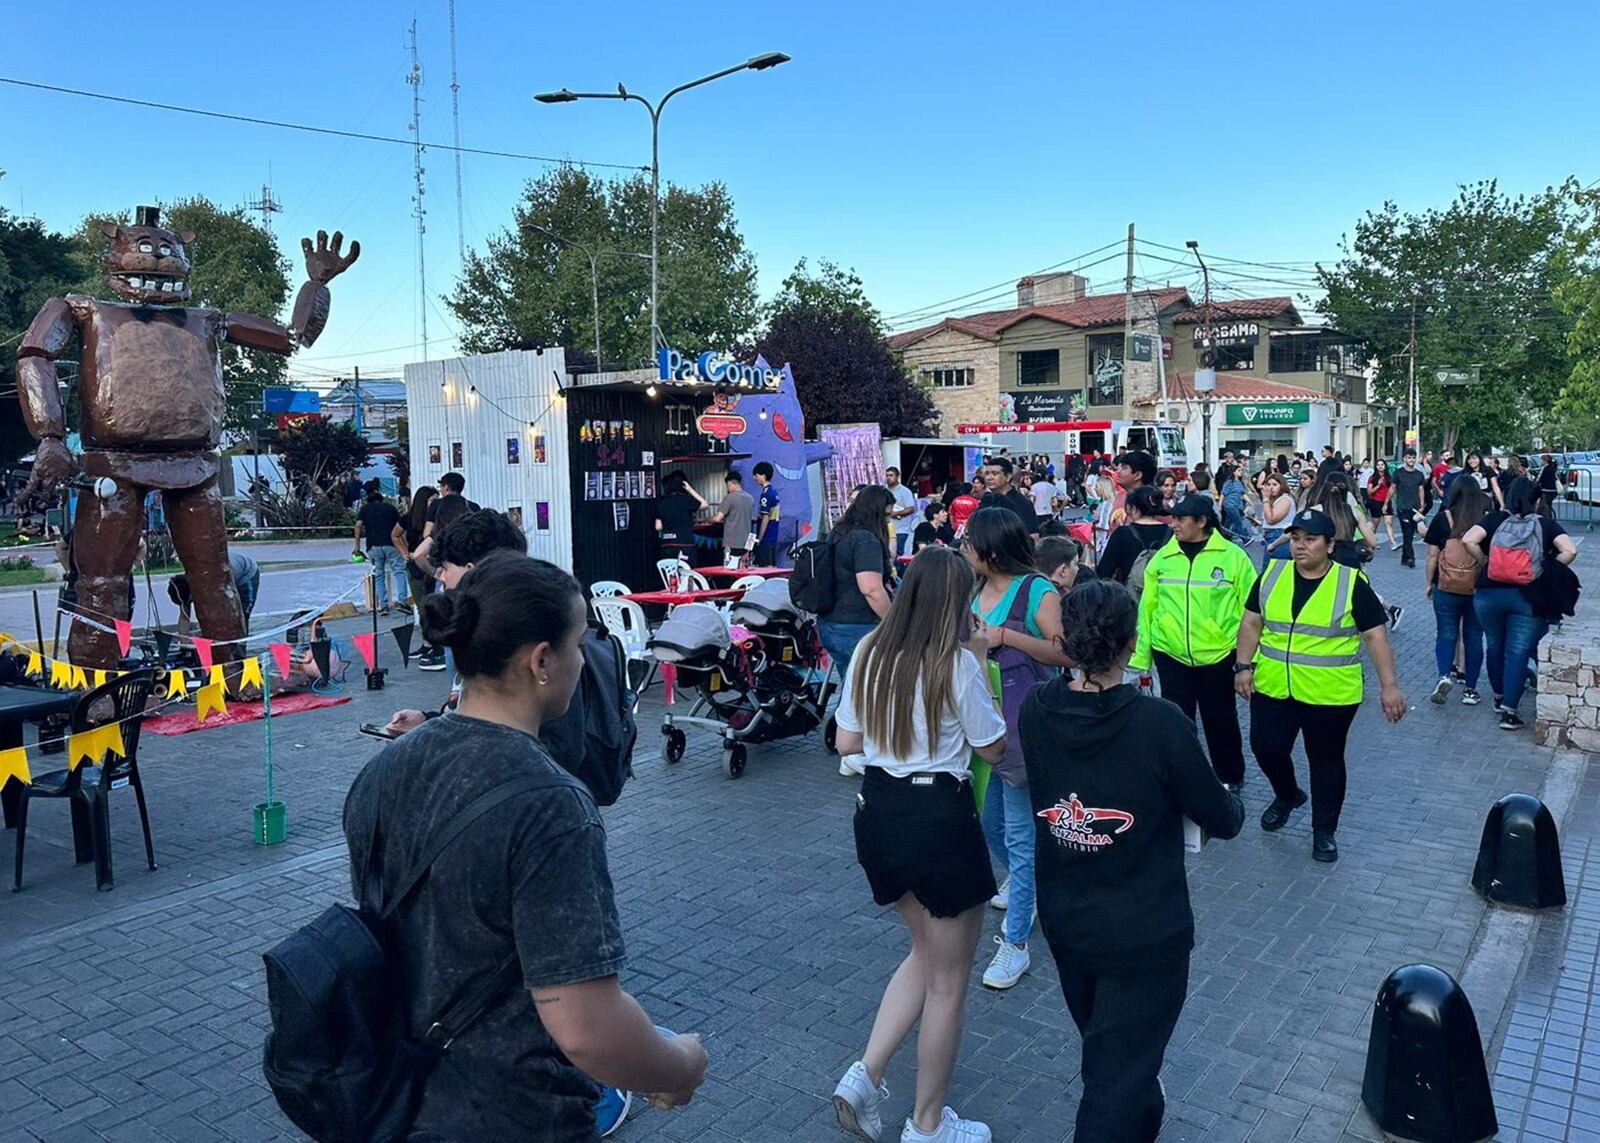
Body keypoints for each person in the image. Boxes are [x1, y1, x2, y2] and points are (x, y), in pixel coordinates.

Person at [344, 555, 708, 1141]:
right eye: (580, 643)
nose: (585, 660)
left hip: (398, 1096)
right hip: (515, 1111)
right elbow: (587, 1029)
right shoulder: (550, 805)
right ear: (542, 661)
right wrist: (680, 1064)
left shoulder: (386, 767)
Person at [1023, 580, 1243, 1143]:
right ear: (1133, 640)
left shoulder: (1037, 710)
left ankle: (1142, 1122)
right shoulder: (1161, 723)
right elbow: (1219, 815)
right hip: (1145, 929)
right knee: (1114, 1076)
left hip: (1068, 918)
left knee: (1113, 1054)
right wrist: (1230, 799)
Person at [830, 547, 1007, 1143]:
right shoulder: (955, 663)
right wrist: (981, 661)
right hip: (939, 817)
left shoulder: (869, 651)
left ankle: (865, 1075)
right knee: (950, 981)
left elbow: (845, 740)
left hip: (878, 811)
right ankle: (928, 1124)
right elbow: (992, 749)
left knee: (925, 954)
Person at [1234, 510, 1408, 862]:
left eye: (1310, 539)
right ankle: (1287, 794)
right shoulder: (1272, 574)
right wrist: (1242, 666)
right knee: (1265, 747)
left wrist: (1389, 687)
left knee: (1325, 763)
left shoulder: (1351, 583)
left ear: (1329, 545)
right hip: (1273, 685)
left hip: (1330, 693)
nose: (1300, 546)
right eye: (1296, 538)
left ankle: (1324, 831)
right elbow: (1252, 623)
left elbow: (1375, 635)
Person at [963, 508, 1071, 992]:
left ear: (990, 550)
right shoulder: (972, 588)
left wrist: (1007, 637)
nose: (962, 549)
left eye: (969, 543)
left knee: (1021, 837)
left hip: (1023, 725)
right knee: (989, 824)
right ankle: (1034, 883)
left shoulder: (1036, 590)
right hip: (978, 723)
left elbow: (1065, 653)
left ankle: (1016, 942)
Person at [1130, 494, 1256, 791]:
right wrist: (1141, 658)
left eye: (1180, 519)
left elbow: (1252, 612)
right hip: (1170, 653)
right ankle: (1183, 776)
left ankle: (1230, 776)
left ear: (1202, 522)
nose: (1173, 524)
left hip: (1219, 655)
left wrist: (1247, 661)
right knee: (1176, 720)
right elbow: (1147, 610)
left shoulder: (1233, 557)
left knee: (1220, 719)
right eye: (1172, 518)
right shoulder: (1162, 558)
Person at [1461, 476, 1579, 729]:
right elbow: (1570, 550)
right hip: (1527, 597)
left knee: (1494, 646)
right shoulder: (1546, 524)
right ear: (1537, 500)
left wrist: (1485, 561)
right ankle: (1509, 712)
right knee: (1517, 652)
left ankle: (1498, 696)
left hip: (1488, 595)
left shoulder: (1494, 519)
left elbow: (1468, 540)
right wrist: (1546, 570)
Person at [1424, 476, 1490, 707]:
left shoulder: (1444, 518)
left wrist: (1428, 583)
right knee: (1473, 636)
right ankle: (1471, 689)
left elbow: (1432, 556)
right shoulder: (1485, 520)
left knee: (1446, 633)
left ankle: (1444, 675)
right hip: (1477, 589)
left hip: (1446, 586)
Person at [818, 485, 895, 680]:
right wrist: (893, 621)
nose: (889, 520)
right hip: (857, 625)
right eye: (886, 515)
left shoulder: (839, 532)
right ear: (875, 512)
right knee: (862, 690)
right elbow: (871, 589)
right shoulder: (866, 540)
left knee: (850, 684)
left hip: (830, 621)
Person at [168, 549, 260, 637]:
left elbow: (224, 610)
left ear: (193, 590)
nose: (192, 603)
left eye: (192, 600)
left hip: (245, 574)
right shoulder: (185, 588)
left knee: (240, 616)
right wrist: (185, 643)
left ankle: (238, 650)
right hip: (226, 575)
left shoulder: (215, 581)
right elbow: (184, 619)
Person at [1095, 485, 1170, 587]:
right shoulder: (1171, 533)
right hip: (1164, 593)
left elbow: (1104, 572)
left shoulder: (1122, 533)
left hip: (1131, 595)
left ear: (1133, 508)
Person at [354, 489, 406, 615]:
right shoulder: (390, 508)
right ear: (381, 499)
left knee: (379, 575)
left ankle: (383, 606)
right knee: (399, 572)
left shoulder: (365, 510)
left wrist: (357, 547)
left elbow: (358, 525)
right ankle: (402, 602)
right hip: (391, 544)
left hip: (373, 546)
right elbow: (400, 528)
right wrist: (404, 547)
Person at [654, 471, 707, 567]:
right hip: (685, 544)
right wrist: (690, 489)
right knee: (686, 573)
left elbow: (658, 526)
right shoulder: (686, 500)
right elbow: (704, 505)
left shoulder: (662, 503)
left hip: (667, 544)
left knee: (670, 574)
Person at [1390, 449, 1433, 568]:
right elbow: (1392, 488)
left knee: (1408, 533)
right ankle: (1411, 558)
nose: (1411, 460)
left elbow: (1421, 489)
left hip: (1415, 508)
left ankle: (1405, 557)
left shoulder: (1419, 474)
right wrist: (1386, 503)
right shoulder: (1398, 473)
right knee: (1407, 532)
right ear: (1404, 459)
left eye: (1413, 458)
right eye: (1409, 457)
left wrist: (1422, 504)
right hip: (1402, 506)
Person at [978, 458, 1039, 534]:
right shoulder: (986, 500)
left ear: (1008, 477)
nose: (989, 478)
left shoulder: (1022, 503)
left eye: (995, 473)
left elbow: (1033, 534)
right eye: (987, 473)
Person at [709, 469, 756, 568]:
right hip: (746, 543)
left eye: (728, 486)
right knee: (743, 569)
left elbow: (717, 518)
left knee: (730, 569)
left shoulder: (729, 498)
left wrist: (706, 520)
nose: (728, 489)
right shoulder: (750, 498)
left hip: (731, 543)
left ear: (731, 484)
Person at [1109, 450, 1156, 535]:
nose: (1118, 471)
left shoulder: (1153, 500)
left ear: (1137, 475)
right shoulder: (1120, 496)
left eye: (1124, 468)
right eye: (1119, 467)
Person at [1259, 471, 1296, 562]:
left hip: (1279, 535)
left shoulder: (1285, 499)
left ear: (1281, 486)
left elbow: (1271, 519)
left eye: (1275, 485)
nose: (1271, 488)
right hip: (1270, 535)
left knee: (1276, 568)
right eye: (1268, 484)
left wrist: (1266, 499)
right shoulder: (1273, 500)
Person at [752, 461, 782, 566]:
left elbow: (766, 517)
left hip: (766, 538)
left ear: (763, 476)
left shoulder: (766, 494)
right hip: (773, 536)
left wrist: (759, 539)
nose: (755, 478)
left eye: (756, 475)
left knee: (764, 568)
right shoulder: (774, 492)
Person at [885, 465, 919, 559]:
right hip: (886, 529)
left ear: (897, 477)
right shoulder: (883, 490)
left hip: (900, 529)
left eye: (891, 475)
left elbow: (911, 508)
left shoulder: (905, 492)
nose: (888, 478)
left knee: (897, 554)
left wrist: (896, 514)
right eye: (887, 475)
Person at [1217, 462, 1255, 545]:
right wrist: (1219, 505)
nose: (1241, 472)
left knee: (1228, 523)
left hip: (1235, 505)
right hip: (1229, 505)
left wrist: (1250, 502)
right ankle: (1245, 538)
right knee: (1238, 522)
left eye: (1241, 470)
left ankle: (1222, 538)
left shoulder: (1239, 483)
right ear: (1234, 472)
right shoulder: (1229, 482)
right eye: (1239, 470)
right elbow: (1223, 494)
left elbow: (1243, 493)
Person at [1366, 459, 1397, 550]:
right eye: (1378, 465)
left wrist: (1387, 502)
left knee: (1389, 522)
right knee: (1375, 523)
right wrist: (1378, 485)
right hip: (1375, 501)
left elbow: (1393, 490)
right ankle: (1372, 541)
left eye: (1382, 464)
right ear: (1376, 466)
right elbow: (1369, 492)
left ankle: (1393, 542)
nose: (1380, 466)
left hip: (1386, 502)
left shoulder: (1389, 477)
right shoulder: (1372, 478)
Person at [1537, 452, 1560, 517]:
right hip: (1553, 490)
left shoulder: (1545, 468)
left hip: (1546, 490)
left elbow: (1540, 479)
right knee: (1548, 505)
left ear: (1544, 461)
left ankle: (1547, 519)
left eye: (1541, 460)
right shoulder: (1552, 467)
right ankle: (1549, 518)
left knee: (1544, 506)